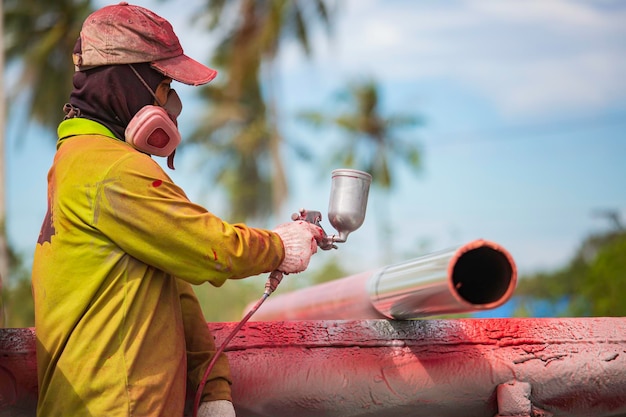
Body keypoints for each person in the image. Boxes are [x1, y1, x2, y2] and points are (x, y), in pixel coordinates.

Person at [31, 3, 323, 417]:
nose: (171, 102)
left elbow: (173, 287)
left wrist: (213, 386)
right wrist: (279, 246)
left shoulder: (80, 160)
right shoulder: (112, 168)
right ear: (126, 82)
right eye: (163, 83)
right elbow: (210, 248)